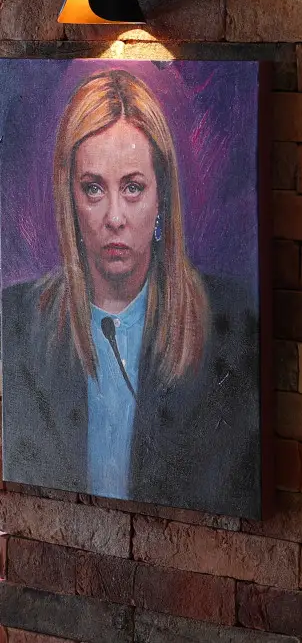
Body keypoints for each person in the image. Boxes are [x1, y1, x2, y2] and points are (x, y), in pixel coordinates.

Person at [1, 69, 260, 517]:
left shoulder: (232, 327)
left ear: (162, 199)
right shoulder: (18, 321)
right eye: (94, 188)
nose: (115, 217)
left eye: (133, 188)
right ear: (71, 200)